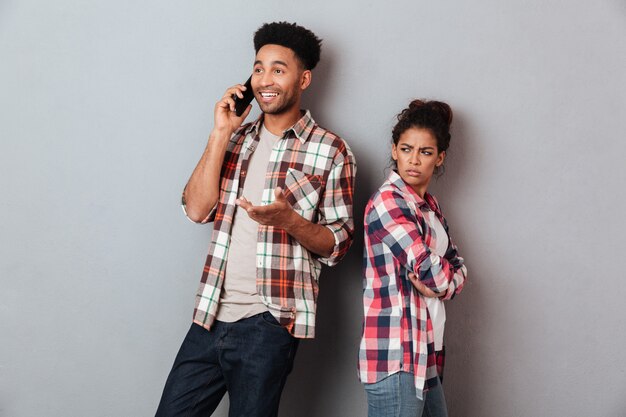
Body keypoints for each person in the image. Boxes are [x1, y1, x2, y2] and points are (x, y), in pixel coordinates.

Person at [156, 22, 356, 417]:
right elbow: (196, 210)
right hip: (210, 314)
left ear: (304, 78)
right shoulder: (237, 139)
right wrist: (220, 133)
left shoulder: (331, 151)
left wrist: (289, 221)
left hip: (268, 323)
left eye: (278, 70)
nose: (265, 79)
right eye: (258, 68)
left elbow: (338, 245)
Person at [358, 100, 467, 417]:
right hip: (398, 353)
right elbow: (433, 270)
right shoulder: (389, 202)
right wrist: (443, 281)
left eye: (425, 152)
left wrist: (442, 284)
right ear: (394, 150)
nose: (414, 160)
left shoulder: (428, 206)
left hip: (427, 351)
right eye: (406, 149)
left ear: (440, 157)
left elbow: (456, 266)